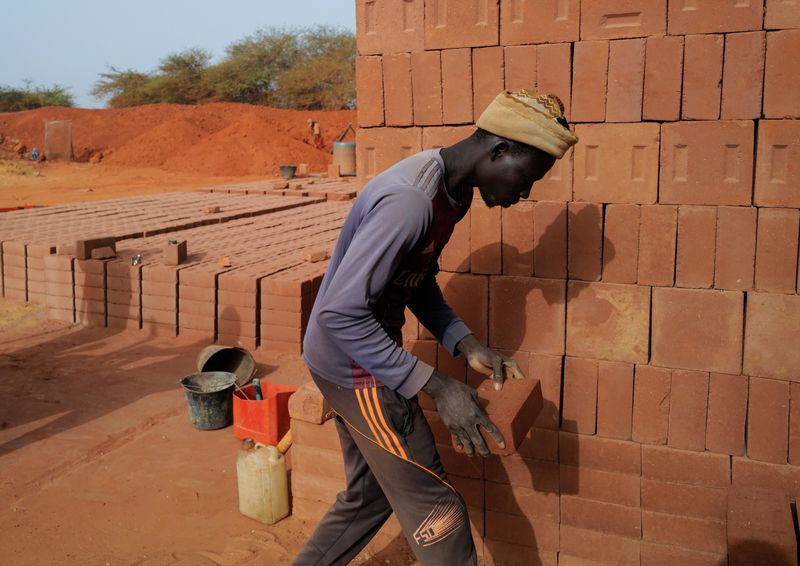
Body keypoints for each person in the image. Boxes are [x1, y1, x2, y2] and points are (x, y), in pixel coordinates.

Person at [294, 90, 578, 566]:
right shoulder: (411, 202)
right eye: (525, 178)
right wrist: (440, 387)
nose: (523, 193)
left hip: (354, 356)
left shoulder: (454, 193)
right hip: (358, 369)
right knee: (439, 514)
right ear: (499, 150)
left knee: (370, 496)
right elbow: (339, 314)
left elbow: (417, 277)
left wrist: (464, 344)